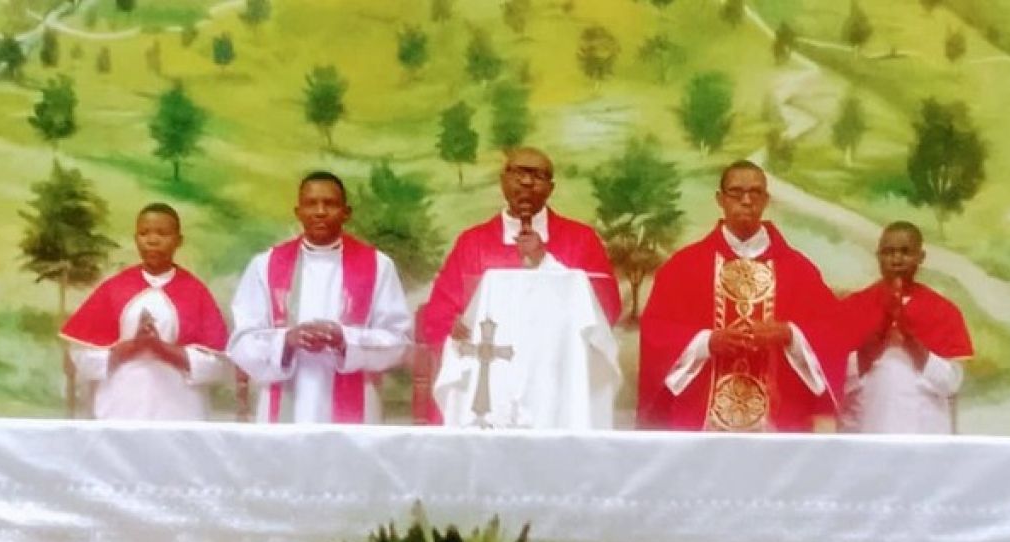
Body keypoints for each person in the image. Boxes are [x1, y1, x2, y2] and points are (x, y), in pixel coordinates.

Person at [637, 160, 844, 432]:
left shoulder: (798, 270)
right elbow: (657, 332)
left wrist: (788, 334)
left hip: (775, 424)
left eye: (755, 193)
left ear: (766, 200)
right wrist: (707, 341)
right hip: (705, 420)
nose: (746, 201)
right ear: (720, 199)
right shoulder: (684, 267)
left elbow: (832, 332)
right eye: (736, 193)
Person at [227, 171, 411, 424]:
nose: (320, 211)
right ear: (298, 211)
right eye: (311, 203)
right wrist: (286, 341)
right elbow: (241, 341)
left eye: (330, 203)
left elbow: (397, 340)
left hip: (355, 406)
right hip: (284, 401)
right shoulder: (266, 265)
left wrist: (345, 340)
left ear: (346, 212)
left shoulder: (378, 265)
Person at [419, 146, 622, 349]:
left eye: (538, 175)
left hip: (557, 363)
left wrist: (546, 262)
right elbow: (440, 312)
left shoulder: (581, 240)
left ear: (551, 188)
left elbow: (605, 309)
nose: (527, 182)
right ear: (502, 181)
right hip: (490, 364)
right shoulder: (472, 243)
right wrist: (452, 326)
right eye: (519, 173)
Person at [60, 203, 229, 420]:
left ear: (179, 241)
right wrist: (128, 348)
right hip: (120, 407)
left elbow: (217, 367)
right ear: (135, 238)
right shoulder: (114, 289)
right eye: (144, 233)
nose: (152, 240)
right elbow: (81, 359)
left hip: (180, 412)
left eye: (162, 233)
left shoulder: (195, 292)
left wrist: (163, 349)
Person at [839, 221, 973, 434]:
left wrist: (910, 340)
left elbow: (951, 384)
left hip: (924, 434)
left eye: (905, 252)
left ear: (921, 257)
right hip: (866, 430)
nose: (896, 259)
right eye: (888, 252)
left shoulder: (943, 310)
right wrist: (880, 335)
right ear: (878, 256)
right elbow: (837, 380)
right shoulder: (852, 307)